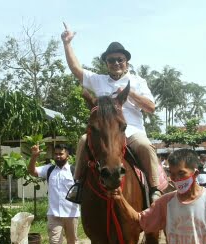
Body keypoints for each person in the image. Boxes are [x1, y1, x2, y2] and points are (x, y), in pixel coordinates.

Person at [60, 22, 161, 204]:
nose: (116, 63)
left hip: (131, 131)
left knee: (146, 146)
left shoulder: (138, 81)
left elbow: (151, 108)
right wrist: (67, 43)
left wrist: (130, 93)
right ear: (106, 63)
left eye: (119, 59)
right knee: (83, 140)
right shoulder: (98, 80)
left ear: (126, 62)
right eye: (111, 60)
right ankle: (78, 184)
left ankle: (154, 189)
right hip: (105, 133)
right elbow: (76, 69)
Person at [28, 144, 80, 244]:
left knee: (72, 241)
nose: (57, 156)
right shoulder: (49, 169)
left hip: (71, 213)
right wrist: (34, 156)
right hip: (54, 214)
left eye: (60, 154)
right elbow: (32, 171)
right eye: (56, 154)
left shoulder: (74, 170)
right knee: (54, 242)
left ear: (67, 155)